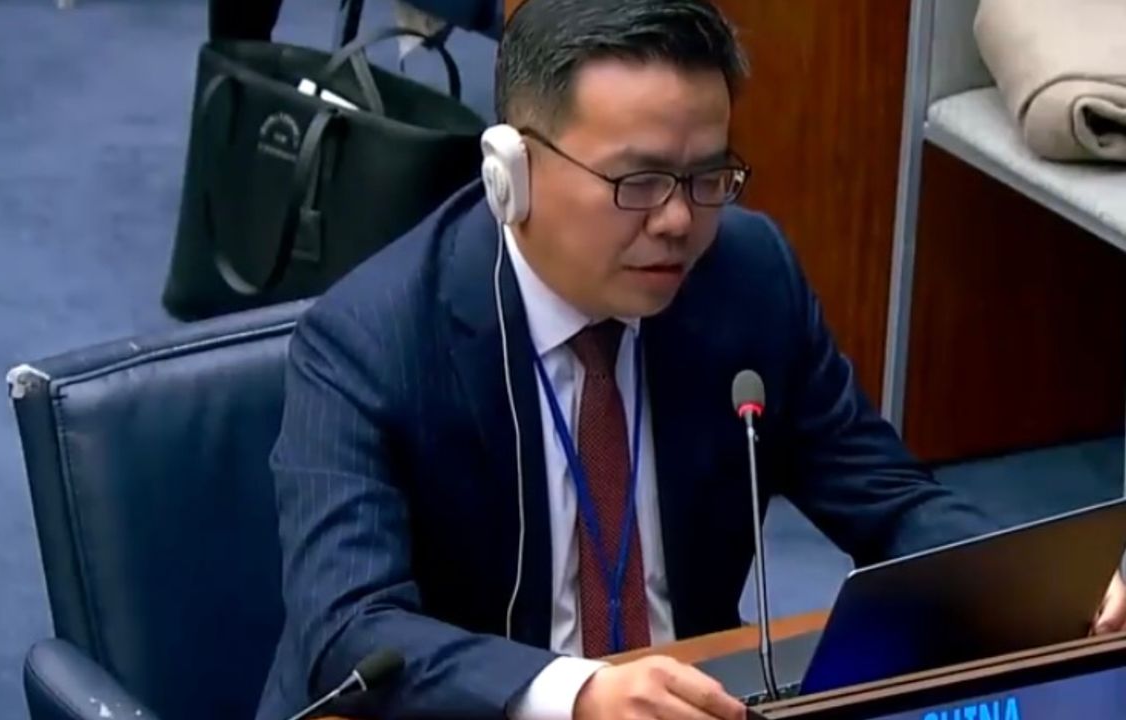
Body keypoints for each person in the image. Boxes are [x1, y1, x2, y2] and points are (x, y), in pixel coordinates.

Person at [255, 2, 1126, 719]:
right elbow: (351, 629)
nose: (678, 221)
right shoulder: (369, 340)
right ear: (510, 172)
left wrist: (1055, 583)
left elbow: (889, 504)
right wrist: (574, 695)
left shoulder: (748, 278)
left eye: (709, 177)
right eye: (636, 183)